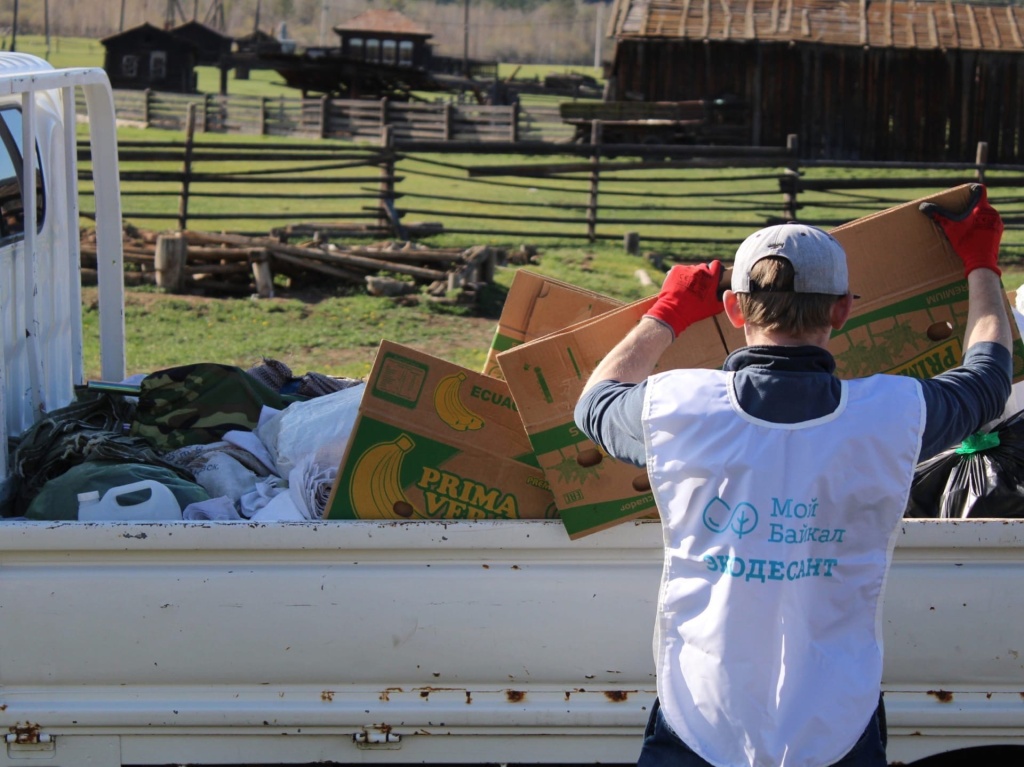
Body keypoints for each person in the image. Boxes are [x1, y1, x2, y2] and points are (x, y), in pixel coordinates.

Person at [573, 184, 1012, 767]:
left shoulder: (676, 407)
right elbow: (987, 377)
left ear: (733, 310)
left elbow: (594, 404)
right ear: (842, 310)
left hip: (701, 713)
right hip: (837, 716)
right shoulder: (892, 414)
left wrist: (669, 312)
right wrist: (981, 263)